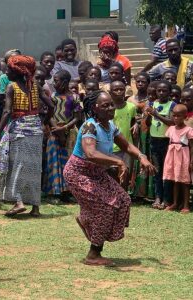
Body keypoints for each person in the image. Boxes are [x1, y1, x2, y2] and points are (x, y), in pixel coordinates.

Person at [63, 91, 156, 266]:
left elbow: (126, 145)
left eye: (111, 104)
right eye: (105, 105)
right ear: (95, 108)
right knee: (106, 207)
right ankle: (93, 254)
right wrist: (118, 161)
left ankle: (87, 220)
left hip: (97, 173)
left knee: (123, 199)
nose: (110, 108)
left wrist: (141, 156)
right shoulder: (89, 126)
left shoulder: (110, 126)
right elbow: (90, 153)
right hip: (79, 173)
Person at [0, 55, 54, 217]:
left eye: (9, 69)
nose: (6, 72)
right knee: (34, 168)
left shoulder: (12, 87)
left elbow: (7, 112)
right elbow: (51, 105)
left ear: (17, 71)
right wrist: (44, 122)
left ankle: (19, 202)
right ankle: (35, 207)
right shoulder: (35, 85)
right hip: (35, 130)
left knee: (17, 167)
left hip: (19, 131)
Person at [44, 70, 81, 198]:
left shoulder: (75, 97)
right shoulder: (52, 97)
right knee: (54, 160)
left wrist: (64, 128)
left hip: (70, 133)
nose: (54, 83)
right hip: (54, 132)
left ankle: (68, 191)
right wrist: (57, 129)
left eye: (56, 80)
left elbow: (77, 117)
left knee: (69, 161)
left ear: (65, 82)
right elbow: (49, 115)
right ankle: (55, 191)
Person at [145, 80, 176, 209]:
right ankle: (158, 198)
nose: (161, 93)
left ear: (169, 92)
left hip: (167, 141)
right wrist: (148, 115)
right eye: (159, 90)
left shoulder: (172, 104)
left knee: (167, 171)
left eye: (164, 91)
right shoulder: (153, 103)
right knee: (157, 171)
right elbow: (147, 124)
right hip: (154, 141)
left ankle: (167, 200)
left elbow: (173, 123)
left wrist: (156, 115)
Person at [162, 104, 193, 213]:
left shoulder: (188, 130)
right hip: (172, 157)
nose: (175, 118)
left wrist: (191, 161)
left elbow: (191, 147)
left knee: (185, 181)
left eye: (178, 116)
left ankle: (186, 205)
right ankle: (175, 203)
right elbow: (169, 144)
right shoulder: (170, 129)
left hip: (184, 157)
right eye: (174, 115)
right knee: (175, 180)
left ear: (185, 116)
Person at [129, 73, 155, 198]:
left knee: (148, 156)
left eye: (143, 81)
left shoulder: (152, 100)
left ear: (148, 83)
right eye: (138, 81)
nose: (140, 84)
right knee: (137, 159)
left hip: (148, 132)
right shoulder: (130, 99)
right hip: (135, 134)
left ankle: (149, 192)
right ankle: (138, 192)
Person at [110, 81, 137, 190]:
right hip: (112, 146)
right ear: (110, 92)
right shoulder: (109, 108)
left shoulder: (131, 107)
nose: (119, 92)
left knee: (126, 172)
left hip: (126, 145)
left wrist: (136, 125)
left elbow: (133, 122)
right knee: (113, 172)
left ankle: (124, 196)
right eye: (116, 90)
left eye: (121, 89)